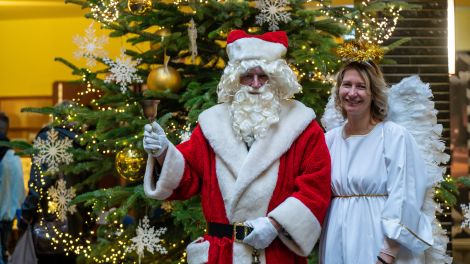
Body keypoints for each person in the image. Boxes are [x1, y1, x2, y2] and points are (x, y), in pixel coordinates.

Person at [143, 30, 331, 264]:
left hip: (275, 254)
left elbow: (316, 188)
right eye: (247, 76)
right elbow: (188, 178)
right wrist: (163, 153)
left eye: (263, 77)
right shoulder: (212, 124)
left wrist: (274, 224)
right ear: (235, 78)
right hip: (221, 254)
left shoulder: (302, 126)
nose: (255, 85)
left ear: (276, 78)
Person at [319, 61, 433, 264]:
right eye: (347, 85)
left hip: (380, 243)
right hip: (336, 239)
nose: (352, 93)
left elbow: (405, 196)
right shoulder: (329, 140)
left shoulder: (393, 136)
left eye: (361, 86)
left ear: (374, 94)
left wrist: (387, 254)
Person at [0, 112, 25, 264]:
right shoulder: (13, 157)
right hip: (6, 216)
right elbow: (19, 190)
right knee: (3, 251)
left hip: (6, 217)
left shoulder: (13, 157)